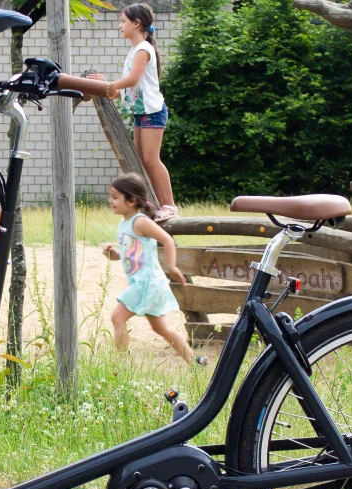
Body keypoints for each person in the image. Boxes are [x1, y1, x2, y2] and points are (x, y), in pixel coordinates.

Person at [81, 4, 179, 221]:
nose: (120, 25)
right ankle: (153, 204)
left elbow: (131, 80)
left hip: (153, 112)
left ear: (137, 23)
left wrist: (109, 85)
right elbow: (125, 89)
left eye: (123, 21)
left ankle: (169, 206)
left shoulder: (143, 49)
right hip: (140, 113)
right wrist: (107, 85)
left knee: (151, 159)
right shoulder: (134, 52)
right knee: (140, 161)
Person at [101, 173, 204, 366]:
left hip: (147, 282)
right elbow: (130, 254)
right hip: (144, 283)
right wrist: (114, 254)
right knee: (161, 329)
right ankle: (194, 361)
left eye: (115, 197)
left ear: (131, 200)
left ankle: (121, 365)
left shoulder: (140, 222)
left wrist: (172, 266)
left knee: (117, 318)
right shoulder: (124, 224)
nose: (111, 201)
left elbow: (166, 239)